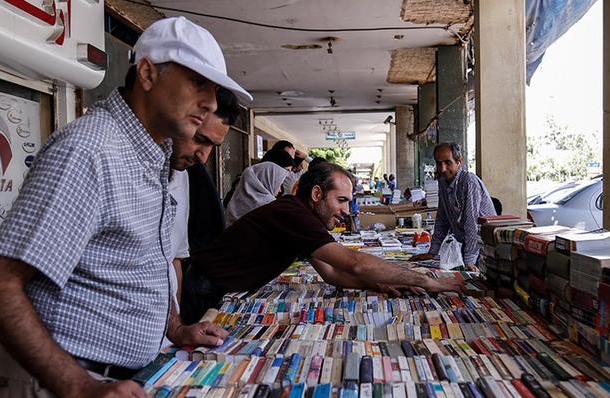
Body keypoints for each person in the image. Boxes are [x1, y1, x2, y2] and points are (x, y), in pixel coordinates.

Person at [0, 16, 252, 398]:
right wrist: (82, 387)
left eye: (214, 91)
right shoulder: (90, 152)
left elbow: (141, 265)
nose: (209, 102)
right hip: (58, 390)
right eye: (198, 82)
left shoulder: (153, 153)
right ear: (148, 72)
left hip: (110, 385)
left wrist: (175, 328)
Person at [179, 162, 465, 324]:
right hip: (199, 292)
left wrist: (376, 283)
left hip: (213, 289)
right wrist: (428, 281)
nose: (346, 210)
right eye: (341, 201)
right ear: (316, 194)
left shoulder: (300, 216)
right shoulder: (293, 215)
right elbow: (353, 264)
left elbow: (332, 273)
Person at [167, 87, 241, 310]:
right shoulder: (92, 154)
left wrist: (176, 325)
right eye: (200, 139)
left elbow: (175, 258)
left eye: (212, 146)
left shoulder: (183, 176)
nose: (203, 156)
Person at [410, 141, 496, 273]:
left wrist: (469, 260)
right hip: (466, 246)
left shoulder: (468, 181)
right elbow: (442, 219)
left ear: (459, 161)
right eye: (439, 163)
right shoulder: (443, 182)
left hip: (483, 249)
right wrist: (433, 252)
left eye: (447, 162)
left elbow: (471, 223)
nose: (443, 169)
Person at [224, 160, 289, 226]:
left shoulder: (236, 199)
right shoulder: (269, 205)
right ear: (268, 181)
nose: (280, 190)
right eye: (279, 185)